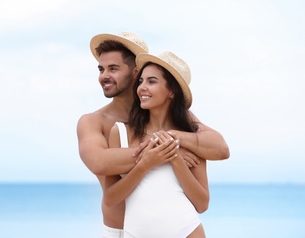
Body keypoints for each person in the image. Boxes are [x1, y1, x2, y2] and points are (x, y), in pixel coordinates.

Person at [77, 32, 229, 237]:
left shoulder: (176, 118)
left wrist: (171, 141)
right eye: (101, 69)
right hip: (120, 231)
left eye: (113, 68)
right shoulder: (96, 122)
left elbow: (219, 148)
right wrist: (162, 153)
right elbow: (98, 162)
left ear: (135, 72)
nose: (104, 76)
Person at [104, 51, 209, 237]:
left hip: (187, 232)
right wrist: (145, 164)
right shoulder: (119, 132)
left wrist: (173, 157)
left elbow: (202, 204)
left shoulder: (189, 137)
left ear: (171, 91)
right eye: (141, 81)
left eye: (151, 81)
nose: (142, 87)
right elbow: (110, 199)